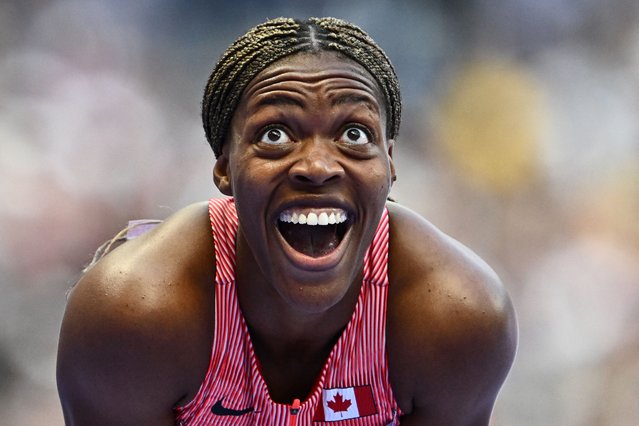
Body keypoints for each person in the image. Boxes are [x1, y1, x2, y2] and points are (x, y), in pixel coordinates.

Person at [56, 17, 517, 425]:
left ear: (389, 165)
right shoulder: (134, 315)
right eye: (275, 134)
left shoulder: (457, 315)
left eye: (354, 134)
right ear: (224, 167)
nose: (317, 167)